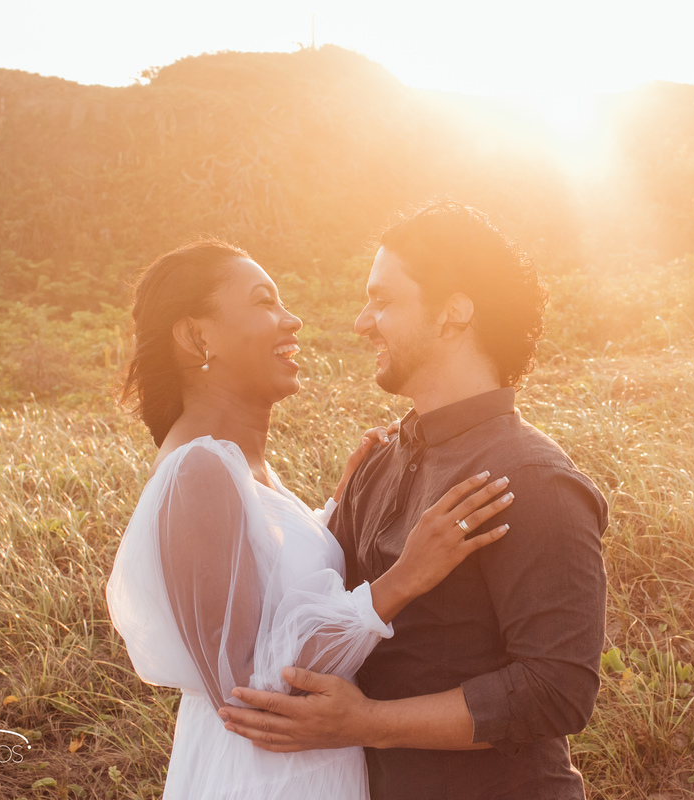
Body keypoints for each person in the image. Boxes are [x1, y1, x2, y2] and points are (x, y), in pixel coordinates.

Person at [221, 202, 609, 800]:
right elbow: (323, 607)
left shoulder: (531, 479)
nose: (361, 322)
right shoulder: (378, 461)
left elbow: (556, 689)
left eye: (383, 300)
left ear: (454, 311)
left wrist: (367, 723)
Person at [105, 239, 515, 800]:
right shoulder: (201, 468)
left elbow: (267, 591)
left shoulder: (236, 466)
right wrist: (401, 580)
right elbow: (250, 689)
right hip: (263, 780)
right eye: (264, 302)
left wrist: (339, 507)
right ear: (198, 337)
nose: (292, 320)